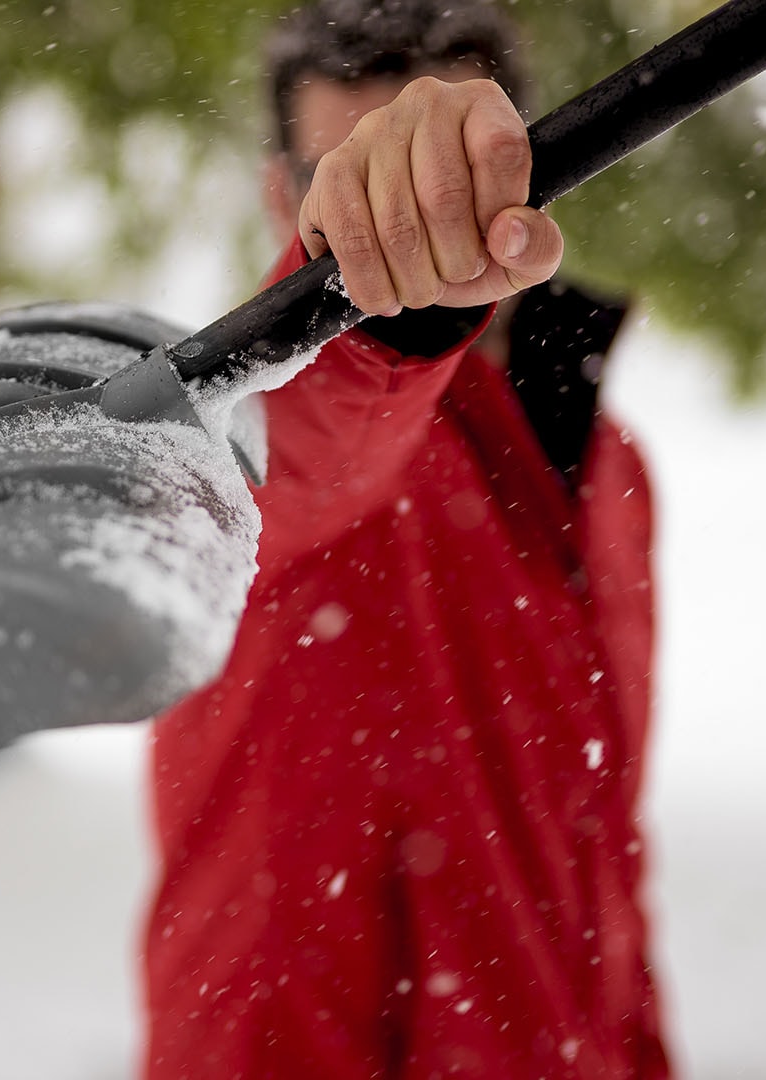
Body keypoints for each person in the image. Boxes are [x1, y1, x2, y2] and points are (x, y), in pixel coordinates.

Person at [143, 1, 669, 1076]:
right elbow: (297, 444)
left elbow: (602, 837)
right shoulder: (229, 439)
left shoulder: (608, 462)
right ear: (280, 195)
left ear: (518, 166)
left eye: (437, 173)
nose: (403, 216)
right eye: (351, 178)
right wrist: (379, 315)